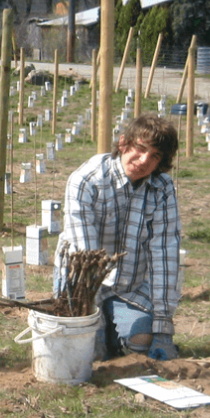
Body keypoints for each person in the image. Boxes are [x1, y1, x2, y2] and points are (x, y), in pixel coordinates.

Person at [54, 114, 181, 361]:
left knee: (141, 340)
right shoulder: (87, 180)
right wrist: (91, 320)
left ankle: (118, 330)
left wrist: (163, 328)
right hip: (83, 290)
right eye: (140, 149)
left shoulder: (162, 188)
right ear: (123, 143)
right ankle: (105, 333)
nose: (144, 160)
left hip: (128, 289)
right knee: (90, 355)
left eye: (155, 156)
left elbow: (164, 255)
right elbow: (84, 258)